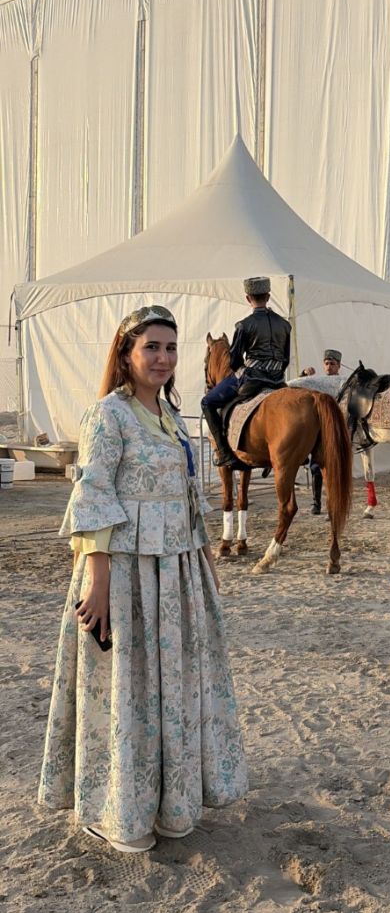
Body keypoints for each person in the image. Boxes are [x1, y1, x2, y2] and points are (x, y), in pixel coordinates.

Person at [38, 306, 248, 853]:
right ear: (126, 352)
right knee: (125, 689)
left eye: (170, 348)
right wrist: (97, 581)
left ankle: (171, 807)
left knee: (173, 687)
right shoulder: (108, 414)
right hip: (125, 573)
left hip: (176, 572)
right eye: (151, 347)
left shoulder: (172, 417)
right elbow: (93, 494)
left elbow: (187, 495)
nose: (163, 357)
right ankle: (120, 813)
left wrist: (204, 560)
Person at [201, 276, 292, 468]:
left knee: (207, 402)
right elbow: (286, 358)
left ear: (248, 298)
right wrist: (275, 372)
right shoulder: (285, 325)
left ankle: (224, 453)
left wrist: (244, 371)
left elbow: (234, 359)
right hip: (278, 380)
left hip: (253, 379)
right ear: (268, 296)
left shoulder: (244, 325)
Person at [299, 350, 342, 512]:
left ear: (338, 365)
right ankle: (316, 503)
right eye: (327, 364)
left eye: (332, 364)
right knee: (316, 467)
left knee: (335, 467)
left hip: (336, 429)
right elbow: (299, 387)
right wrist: (304, 374)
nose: (329, 367)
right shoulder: (318, 382)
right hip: (319, 430)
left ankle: (334, 502)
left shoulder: (343, 383)